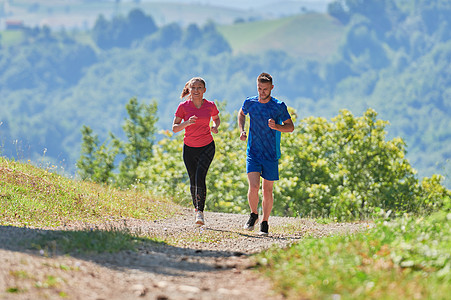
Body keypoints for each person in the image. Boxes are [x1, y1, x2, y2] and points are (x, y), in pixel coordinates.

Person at [238, 72, 294, 235]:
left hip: (270, 154)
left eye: (265, 89)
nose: (262, 92)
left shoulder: (278, 106)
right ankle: (254, 214)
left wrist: (277, 127)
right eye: (259, 88)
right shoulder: (250, 102)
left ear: (272, 88)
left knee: (267, 190)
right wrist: (241, 130)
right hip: (253, 151)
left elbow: (290, 127)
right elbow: (241, 113)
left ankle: (265, 222)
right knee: (253, 186)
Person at [172, 77, 220, 227]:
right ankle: (196, 209)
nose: (196, 90)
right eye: (193, 88)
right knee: (193, 179)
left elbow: (216, 118)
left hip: (207, 146)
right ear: (189, 90)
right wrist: (187, 123)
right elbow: (174, 128)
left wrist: (215, 126)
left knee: (200, 176)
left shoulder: (210, 105)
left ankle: (200, 212)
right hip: (189, 148)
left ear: (204, 90)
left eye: (199, 88)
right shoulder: (183, 107)